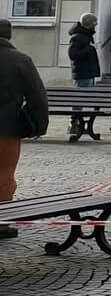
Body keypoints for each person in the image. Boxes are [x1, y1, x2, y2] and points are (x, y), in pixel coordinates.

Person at [0, 18, 50, 241]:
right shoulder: (20, 60)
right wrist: (39, 124)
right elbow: (37, 95)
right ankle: (1, 222)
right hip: (7, 128)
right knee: (3, 176)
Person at [66, 14, 102, 141]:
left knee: (85, 99)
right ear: (88, 24)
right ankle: (74, 122)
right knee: (79, 99)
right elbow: (73, 55)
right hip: (82, 73)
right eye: (94, 23)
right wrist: (90, 49)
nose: (95, 26)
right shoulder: (78, 37)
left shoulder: (85, 36)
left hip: (88, 72)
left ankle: (78, 123)